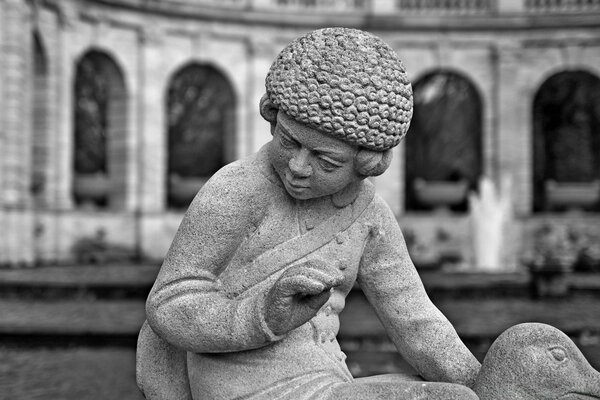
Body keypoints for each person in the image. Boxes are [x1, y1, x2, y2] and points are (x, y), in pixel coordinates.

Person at [137, 27, 480, 400]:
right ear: (274, 118)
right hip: (240, 385)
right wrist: (262, 316)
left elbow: (414, 319)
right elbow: (169, 302)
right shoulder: (236, 189)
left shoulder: (369, 216)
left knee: (457, 395)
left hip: (326, 376)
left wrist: (483, 382)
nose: (299, 166)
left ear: (365, 164)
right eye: (288, 141)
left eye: (325, 160)